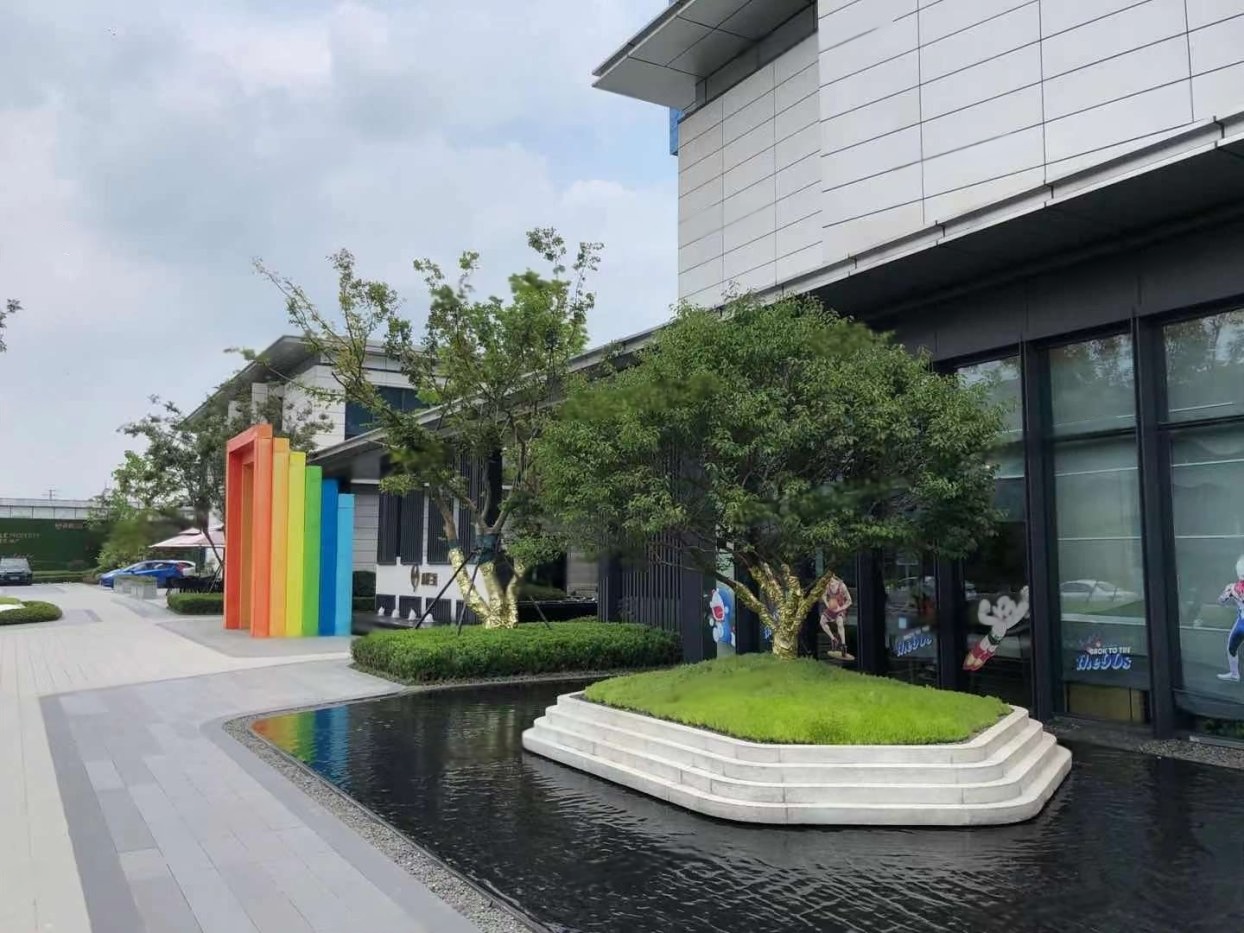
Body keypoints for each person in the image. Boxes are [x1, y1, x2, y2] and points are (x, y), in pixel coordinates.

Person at [1216, 555, 1244, 683]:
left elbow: (1221, 600)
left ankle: (1234, 674)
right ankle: (1234, 674)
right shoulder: (1232, 588)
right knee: (1231, 647)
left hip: (1241, 623)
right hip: (1241, 623)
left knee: (1231, 647)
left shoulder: (1232, 588)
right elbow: (1221, 600)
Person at [819, 574, 853, 661]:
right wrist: (827, 605)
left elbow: (849, 601)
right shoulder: (827, 586)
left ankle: (843, 646)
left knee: (840, 623)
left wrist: (840, 609)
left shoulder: (842, 586)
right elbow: (823, 596)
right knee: (822, 621)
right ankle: (833, 639)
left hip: (840, 608)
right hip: (831, 608)